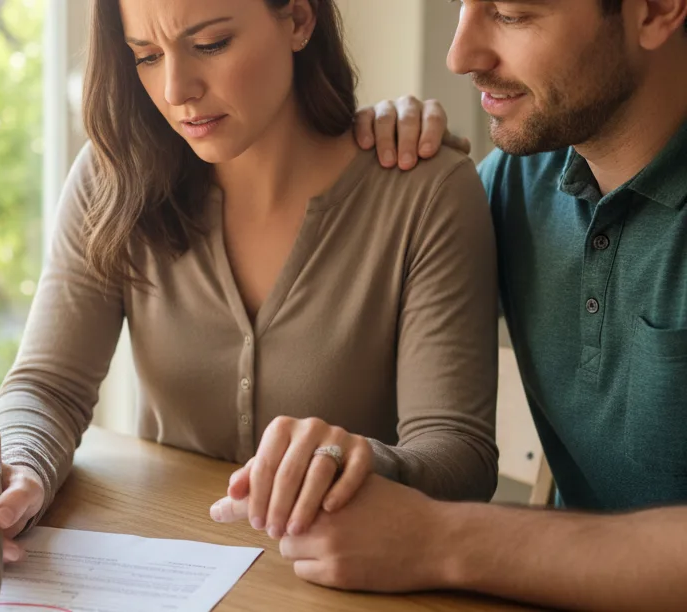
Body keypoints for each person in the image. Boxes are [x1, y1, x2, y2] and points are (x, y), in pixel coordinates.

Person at [0, 0, 500, 571]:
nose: (177, 89)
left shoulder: (426, 195)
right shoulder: (113, 182)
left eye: (210, 45)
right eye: (148, 56)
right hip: (159, 579)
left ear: (299, 20)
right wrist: (17, 471)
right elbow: (49, 386)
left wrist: (353, 464)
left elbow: (459, 459)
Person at [212, 0, 687, 610]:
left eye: (512, 15)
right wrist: (402, 177)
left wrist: (436, 540)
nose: (460, 55)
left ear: (654, 11)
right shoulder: (519, 184)